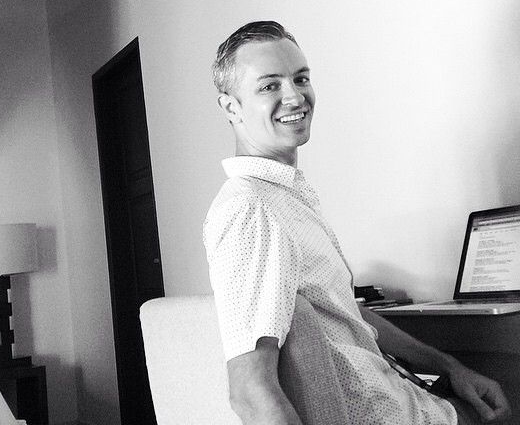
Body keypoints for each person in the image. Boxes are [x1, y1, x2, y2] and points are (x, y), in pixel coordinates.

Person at [203, 21, 511, 425]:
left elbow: (349, 314)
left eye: (301, 78)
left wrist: (448, 365)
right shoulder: (251, 209)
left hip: (399, 394)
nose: (294, 96)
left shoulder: (284, 198)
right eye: (270, 86)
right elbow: (249, 391)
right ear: (231, 107)